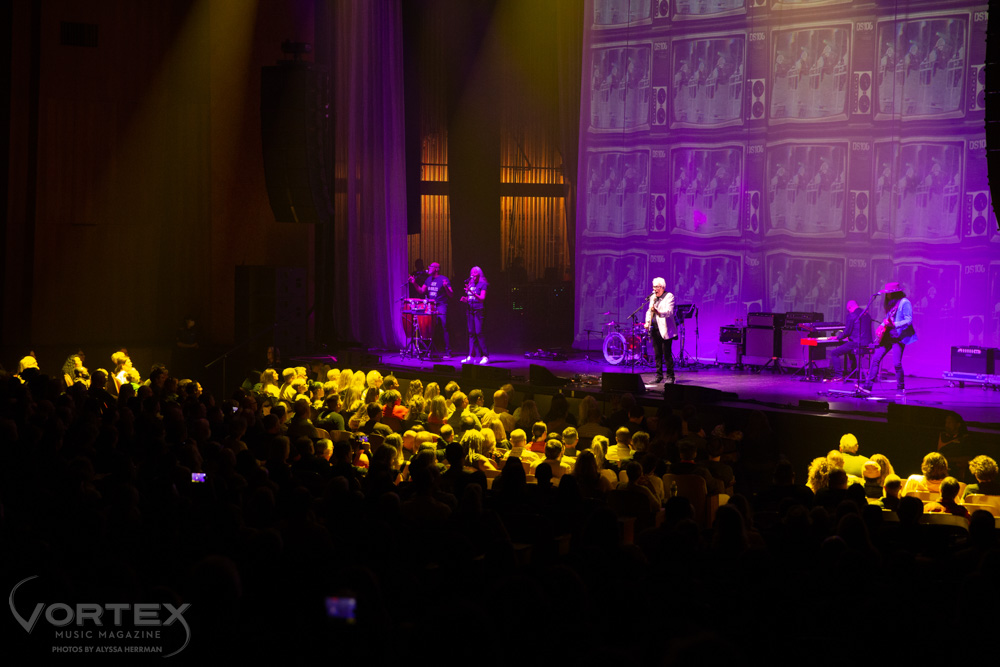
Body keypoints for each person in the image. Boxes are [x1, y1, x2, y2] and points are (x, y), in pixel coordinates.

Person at [862, 282, 916, 393]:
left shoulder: (905, 303)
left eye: (889, 293)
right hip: (888, 336)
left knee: (897, 363)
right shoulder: (891, 303)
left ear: (896, 293)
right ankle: (868, 387)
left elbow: (909, 320)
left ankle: (901, 388)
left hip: (898, 336)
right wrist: (881, 326)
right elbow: (888, 318)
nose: (887, 295)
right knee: (876, 359)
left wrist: (894, 324)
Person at [409, 261, 453, 357]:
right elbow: (421, 291)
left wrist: (445, 287)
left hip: (441, 305)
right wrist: (414, 283)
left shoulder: (443, 279)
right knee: (429, 327)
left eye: (431, 266)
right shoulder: (428, 280)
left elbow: (451, 294)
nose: (429, 268)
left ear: (436, 269)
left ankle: (448, 351)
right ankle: (430, 350)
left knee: (444, 326)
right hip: (430, 305)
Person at [643, 277, 677, 384]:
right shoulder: (653, 297)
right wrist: (647, 322)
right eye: (653, 287)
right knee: (657, 354)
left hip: (665, 330)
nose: (654, 289)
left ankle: (670, 376)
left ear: (662, 287)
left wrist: (658, 312)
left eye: (657, 287)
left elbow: (669, 312)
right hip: (654, 329)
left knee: (666, 354)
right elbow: (649, 311)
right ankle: (659, 375)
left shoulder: (669, 296)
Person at [828, 300, 873, 378]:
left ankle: (838, 376)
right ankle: (853, 373)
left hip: (856, 343)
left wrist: (837, 337)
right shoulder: (867, 315)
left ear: (849, 307)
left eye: (848, 310)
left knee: (834, 353)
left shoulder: (851, 315)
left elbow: (847, 332)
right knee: (850, 351)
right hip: (868, 343)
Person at [461, 265, 489, 364]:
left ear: (479, 274)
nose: (473, 274)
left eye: (475, 272)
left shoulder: (482, 284)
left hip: (478, 310)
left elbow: (482, 298)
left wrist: (472, 293)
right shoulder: (470, 283)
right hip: (470, 310)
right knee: (471, 333)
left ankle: (485, 356)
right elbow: (470, 298)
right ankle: (471, 355)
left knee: (479, 332)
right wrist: (465, 299)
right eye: (471, 272)